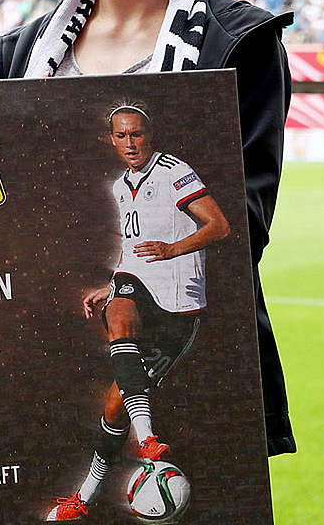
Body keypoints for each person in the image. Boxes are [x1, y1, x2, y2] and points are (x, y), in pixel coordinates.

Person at [0, 0, 296, 516]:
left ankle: (134, 450)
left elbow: (244, 223)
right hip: (52, 346)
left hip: (193, 345)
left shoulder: (239, 44)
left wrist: (121, 263)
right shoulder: (15, 57)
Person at [46, 105, 230, 520]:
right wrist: (110, 286)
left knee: (116, 403)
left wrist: (171, 250)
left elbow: (219, 227)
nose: (130, 143)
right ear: (112, 139)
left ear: (151, 134)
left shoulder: (172, 171)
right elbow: (132, 251)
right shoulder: (119, 186)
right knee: (119, 310)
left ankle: (117, 460)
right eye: (122, 136)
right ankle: (105, 477)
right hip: (138, 288)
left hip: (180, 305)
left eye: (137, 134)